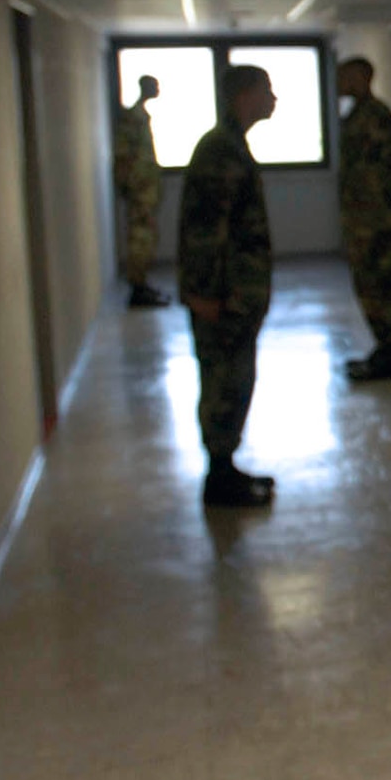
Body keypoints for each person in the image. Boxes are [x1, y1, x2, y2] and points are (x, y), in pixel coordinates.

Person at [179, 64, 278, 509]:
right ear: (244, 95)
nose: (273, 99)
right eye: (266, 90)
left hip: (237, 293)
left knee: (236, 378)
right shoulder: (219, 150)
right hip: (223, 296)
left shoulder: (231, 145)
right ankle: (219, 478)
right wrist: (203, 293)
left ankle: (225, 467)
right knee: (223, 380)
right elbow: (204, 229)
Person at [336, 57, 391, 382]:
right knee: (368, 284)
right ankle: (384, 347)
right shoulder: (357, 115)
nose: (339, 82)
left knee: (379, 284)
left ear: (361, 77)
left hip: (377, 220)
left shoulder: (376, 115)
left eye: (345, 76)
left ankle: (389, 351)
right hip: (363, 219)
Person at [113, 74, 170, 308]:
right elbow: (123, 156)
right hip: (140, 190)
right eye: (155, 85)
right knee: (140, 239)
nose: (157, 89)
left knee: (147, 237)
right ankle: (137, 286)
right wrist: (129, 187)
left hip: (145, 189)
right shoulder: (133, 117)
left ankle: (142, 283)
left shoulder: (141, 116)